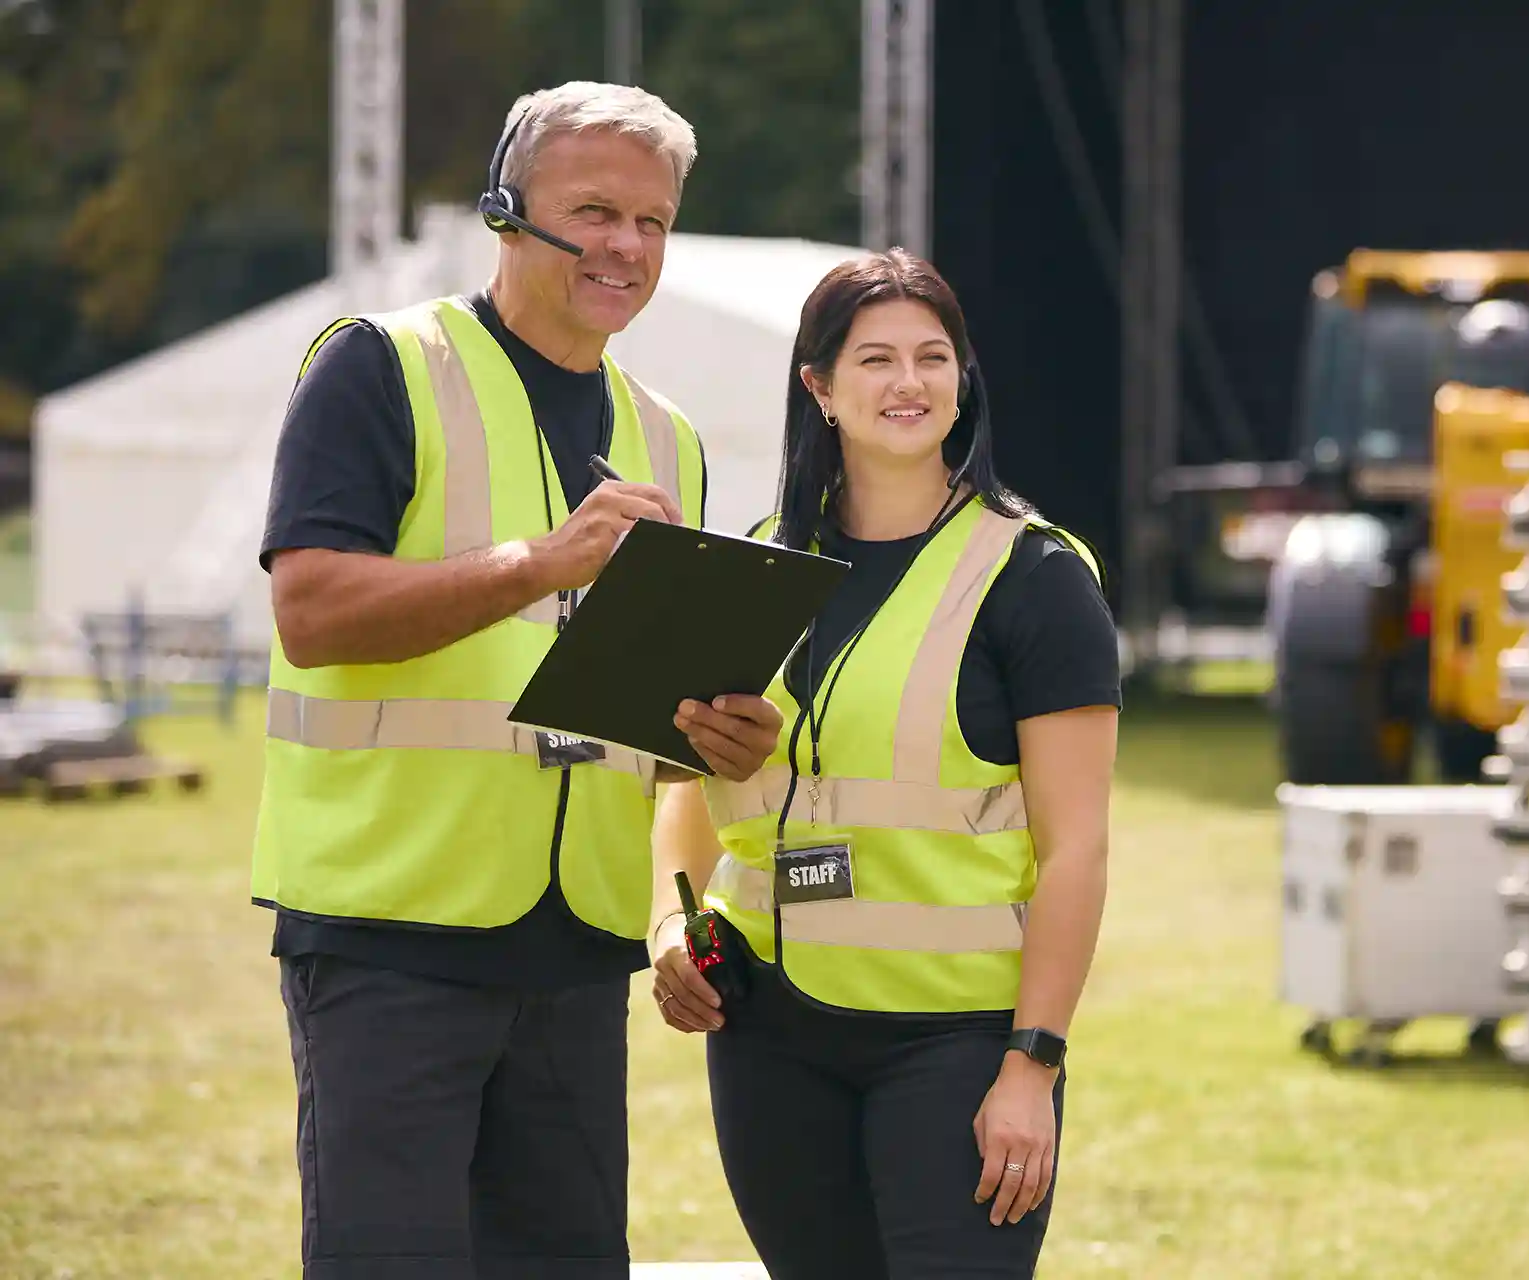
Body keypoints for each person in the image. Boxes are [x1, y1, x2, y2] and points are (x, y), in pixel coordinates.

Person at [251, 81, 783, 1279]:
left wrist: (711, 737)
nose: (626, 246)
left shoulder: (669, 437)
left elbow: (641, 722)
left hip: (576, 947)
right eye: (594, 211)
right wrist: (542, 560)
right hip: (392, 931)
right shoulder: (379, 366)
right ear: (504, 211)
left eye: (652, 222)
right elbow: (312, 611)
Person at [646, 249, 1121, 1278]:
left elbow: (1078, 848)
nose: (909, 382)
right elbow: (686, 779)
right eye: (875, 359)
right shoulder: (754, 563)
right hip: (769, 1036)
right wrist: (671, 919)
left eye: (932, 356)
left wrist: (1032, 1065)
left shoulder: (1036, 577)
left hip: (954, 1042)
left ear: (963, 380)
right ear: (818, 387)